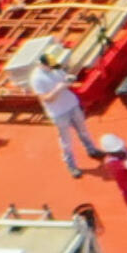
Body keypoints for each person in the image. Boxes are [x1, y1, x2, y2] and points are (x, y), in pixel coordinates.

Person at [28, 47, 102, 177]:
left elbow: (65, 78)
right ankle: (71, 166)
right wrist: (58, 88)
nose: (53, 68)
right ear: (41, 65)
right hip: (58, 112)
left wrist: (69, 80)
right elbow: (46, 99)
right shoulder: (36, 79)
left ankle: (91, 150)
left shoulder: (56, 69)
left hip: (72, 105)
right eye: (49, 66)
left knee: (83, 130)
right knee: (66, 141)